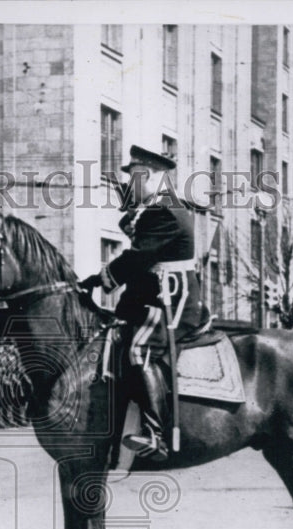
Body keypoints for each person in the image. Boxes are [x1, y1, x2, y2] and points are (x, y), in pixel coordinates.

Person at [78, 144, 208, 462]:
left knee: (140, 347)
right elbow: (133, 230)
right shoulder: (156, 207)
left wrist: (99, 279)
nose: (129, 184)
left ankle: (155, 434)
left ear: (147, 175)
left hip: (172, 300)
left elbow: (137, 257)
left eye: (133, 177)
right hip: (153, 293)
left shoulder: (165, 210)